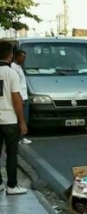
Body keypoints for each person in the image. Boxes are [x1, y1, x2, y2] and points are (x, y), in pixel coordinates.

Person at [0, 41, 28, 194]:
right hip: (9, 119)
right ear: (10, 55)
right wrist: (22, 122)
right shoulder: (11, 73)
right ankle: (12, 185)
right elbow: (16, 99)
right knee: (11, 154)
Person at [11, 50, 32, 144]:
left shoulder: (19, 67)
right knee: (20, 118)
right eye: (22, 57)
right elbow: (15, 85)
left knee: (25, 117)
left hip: (25, 95)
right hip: (20, 97)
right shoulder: (13, 67)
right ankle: (18, 137)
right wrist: (20, 98)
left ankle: (22, 137)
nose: (24, 59)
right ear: (17, 57)